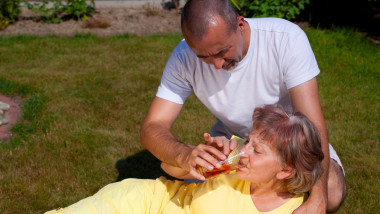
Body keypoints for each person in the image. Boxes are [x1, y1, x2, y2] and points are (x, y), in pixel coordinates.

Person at [140, 0, 346, 213]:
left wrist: (319, 196)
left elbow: (312, 124)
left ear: (240, 24)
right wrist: (185, 155)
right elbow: (152, 127)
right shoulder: (183, 57)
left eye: (222, 51)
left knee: (330, 191)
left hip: (292, 144)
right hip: (233, 147)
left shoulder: (286, 39)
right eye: (204, 57)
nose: (217, 65)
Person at [46, 105, 324, 214]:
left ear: (285, 170)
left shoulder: (296, 211)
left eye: (258, 150)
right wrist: (196, 159)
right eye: (249, 140)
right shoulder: (232, 162)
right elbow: (168, 170)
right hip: (152, 202)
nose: (245, 151)